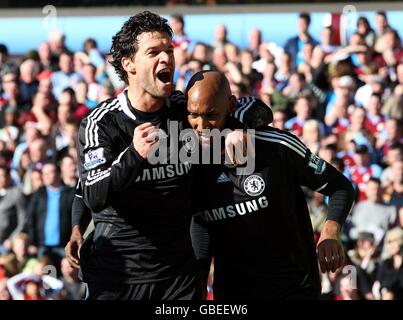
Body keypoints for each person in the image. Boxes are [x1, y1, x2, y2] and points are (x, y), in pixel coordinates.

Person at [72, 11, 271, 300]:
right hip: (117, 276)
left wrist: (239, 126)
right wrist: (135, 156)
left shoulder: (183, 110)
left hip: (177, 278)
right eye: (153, 52)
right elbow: (93, 192)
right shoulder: (101, 122)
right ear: (129, 64)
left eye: (169, 51)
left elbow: (256, 108)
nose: (166, 59)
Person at [188, 71, 355, 299]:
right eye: (193, 115)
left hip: (293, 288)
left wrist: (330, 231)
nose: (201, 126)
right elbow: (201, 223)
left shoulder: (276, 146)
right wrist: (199, 280)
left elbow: (340, 186)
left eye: (211, 115)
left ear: (231, 104)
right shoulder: (192, 161)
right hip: (234, 293)